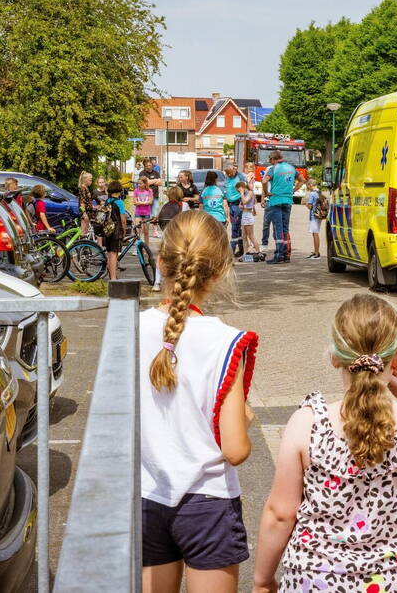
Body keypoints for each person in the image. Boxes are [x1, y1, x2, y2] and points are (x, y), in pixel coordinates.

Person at [251, 294, 397, 593]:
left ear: (335, 356)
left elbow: (281, 513)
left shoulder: (307, 423)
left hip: (311, 578)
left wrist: (262, 580)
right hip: (387, 582)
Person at [140, 210, 257, 593]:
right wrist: (246, 419)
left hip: (146, 495)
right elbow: (236, 449)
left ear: (160, 261)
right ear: (221, 270)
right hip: (208, 503)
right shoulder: (227, 341)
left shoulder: (128, 328)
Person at [262, 151, 304, 264]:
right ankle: (286, 255)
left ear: (273, 159)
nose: (270, 162)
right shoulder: (291, 168)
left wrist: (266, 192)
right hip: (288, 200)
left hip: (276, 200)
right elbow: (302, 180)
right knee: (285, 228)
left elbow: (264, 181)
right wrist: (293, 190)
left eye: (270, 160)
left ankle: (279, 255)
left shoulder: (273, 168)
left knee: (278, 228)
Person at [151, 186, 186, 291]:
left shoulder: (166, 206)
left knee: (161, 257)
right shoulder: (184, 205)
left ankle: (157, 282)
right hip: (179, 235)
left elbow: (159, 218)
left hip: (166, 234)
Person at [224, 162, 248, 258]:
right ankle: (241, 249)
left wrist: (242, 202)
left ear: (234, 169)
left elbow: (246, 191)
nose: (229, 175)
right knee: (236, 229)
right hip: (231, 206)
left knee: (235, 228)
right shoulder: (227, 178)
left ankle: (232, 250)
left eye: (230, 173)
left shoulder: (240, 177)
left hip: (238, 205)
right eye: (227, 174)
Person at [104, 180, 127, 281]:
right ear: (119, 190)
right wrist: (124, 231)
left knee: (109, 254)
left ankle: (112, 275)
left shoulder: (107, 201)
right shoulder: (119, 202)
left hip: (107, 230)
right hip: (116, 231)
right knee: (114, 254)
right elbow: (123, 220)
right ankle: (113, 279)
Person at [138, 158, 164, 238]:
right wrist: (155, 181)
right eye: (146, 166)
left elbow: (160, 183)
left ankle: (155, 231)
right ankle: (145, 231)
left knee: (155, 214)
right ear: (144, 166)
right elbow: (145, 183)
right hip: (144, 198)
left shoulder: (156, 172)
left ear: (152, 165)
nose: (148, 167)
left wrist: (151, 181)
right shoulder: (142, 173)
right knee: (146, 215)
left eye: (150, 165)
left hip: (155, 196)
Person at [237, 181, 260, 261]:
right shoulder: (245, 194)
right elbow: (241, 205)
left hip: (248, 216)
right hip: (244, 214)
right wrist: (241, 205)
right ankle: (245, 254)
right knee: (244, 236)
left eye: (238, 189)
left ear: (242, 187)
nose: (238, 191)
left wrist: (242, 193)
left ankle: (258, 252)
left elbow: (245, 201)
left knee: (251, 235)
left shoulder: (250, 193)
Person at [134, 176, 155, 249]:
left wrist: (140, 203)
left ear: (145, 184)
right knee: (138, 231)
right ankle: (137, 247)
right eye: (138, 183)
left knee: (146, 232)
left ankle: (147, 247)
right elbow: (135, 202)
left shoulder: (149, 191)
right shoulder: (136, 191)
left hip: (146, 213)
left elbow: (150, 201)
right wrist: (144, 203)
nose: (139, 185)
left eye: (140, 183)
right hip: (138, 213)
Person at [304, 179, 322, 260]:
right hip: (319, 216)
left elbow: (310, 207)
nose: (308, 187)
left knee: (315, 234)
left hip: (314, 216)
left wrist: (306, 204)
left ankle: (317, 253)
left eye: (308, 186)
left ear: (311, 185)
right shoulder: (319, 192)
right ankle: (315, 251)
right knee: (315, 233)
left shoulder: (312, 194)